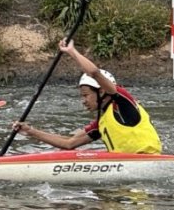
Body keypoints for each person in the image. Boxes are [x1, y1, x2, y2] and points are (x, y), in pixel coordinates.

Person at [13, 39, 162, 154]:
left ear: (101, 91)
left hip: (148, 161)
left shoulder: (122, 102)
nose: (83, 101)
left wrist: (72, 52)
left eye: (86, 95)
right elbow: (69, 143)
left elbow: (94, 73)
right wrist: (31, 131)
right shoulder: (102, 122)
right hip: (128, 166)